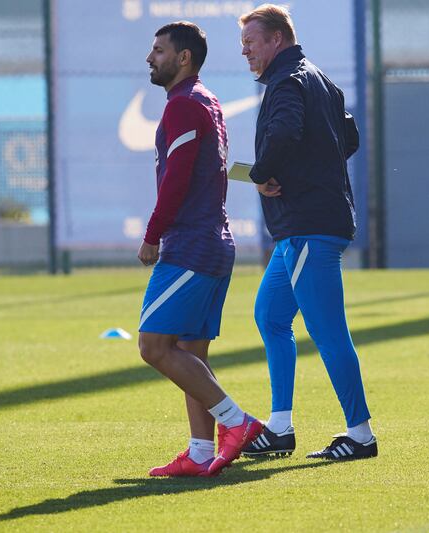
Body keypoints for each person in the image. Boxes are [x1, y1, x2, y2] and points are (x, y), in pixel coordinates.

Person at [237, 5, 378, 461]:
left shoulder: (287, 81)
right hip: (303, 227)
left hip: (308, 227)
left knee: (328, 331)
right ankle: (280, 428)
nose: (246, 53)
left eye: (251, 43)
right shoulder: (318, 77)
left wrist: (263, 173)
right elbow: (348, 138)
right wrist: (312, 169)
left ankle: (360, 435)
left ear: (277, 39)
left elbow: (284, 132)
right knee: (271, 317)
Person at [137, 21, 262, 477]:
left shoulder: (186, 105)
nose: (150, 58)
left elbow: (178, 178)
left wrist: (153, 233)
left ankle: (238, 422)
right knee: (192, 354)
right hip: (211, 243)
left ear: (183, 57)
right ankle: (200, 451)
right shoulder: (202, 101)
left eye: (158, 50)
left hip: (191, 246)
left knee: (153, 346)